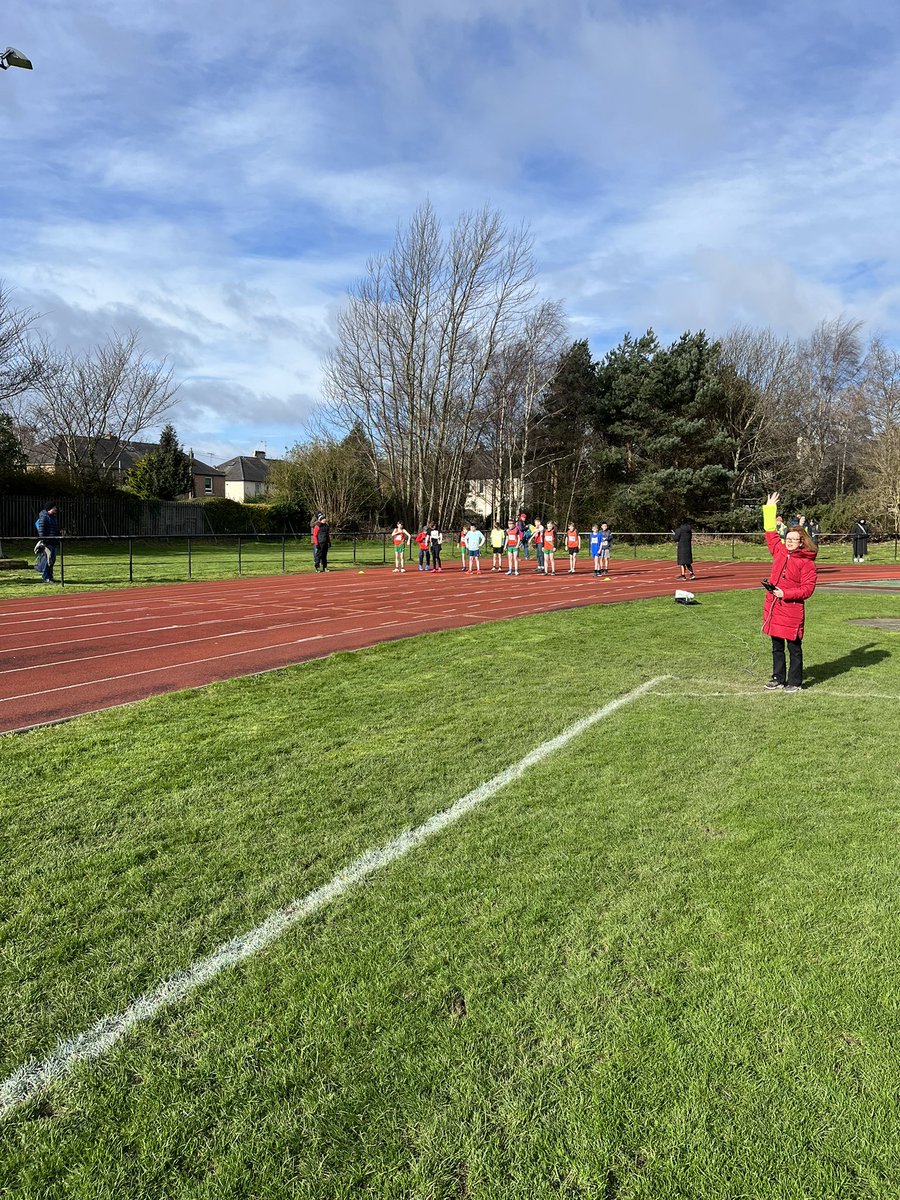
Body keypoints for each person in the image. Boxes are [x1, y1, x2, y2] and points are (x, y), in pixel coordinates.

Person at [762, 490, 818, 694]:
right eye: (788, 538)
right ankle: (778, 677)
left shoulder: (807, 563)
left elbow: (807, 589)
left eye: (794, 539)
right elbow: (770, 534)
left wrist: (785, 594)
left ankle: (795, 681)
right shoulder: (780, 551)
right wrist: (769, 509)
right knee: (776, 645)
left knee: (793, 648)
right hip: (774, 607)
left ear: (802, 541)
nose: (790, 541)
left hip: (791, 610)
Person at [34, 503, 60, 584]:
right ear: (49, 508)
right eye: (54, 507)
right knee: (47, 560)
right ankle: (46, 577)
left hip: (53, 541)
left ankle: (50, 576)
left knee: (52, 560)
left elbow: (55, 529)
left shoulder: (53, 517)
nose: (55, 509)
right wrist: (43, 541)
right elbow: (41, 531)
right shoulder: (44, 517)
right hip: (47, 542)